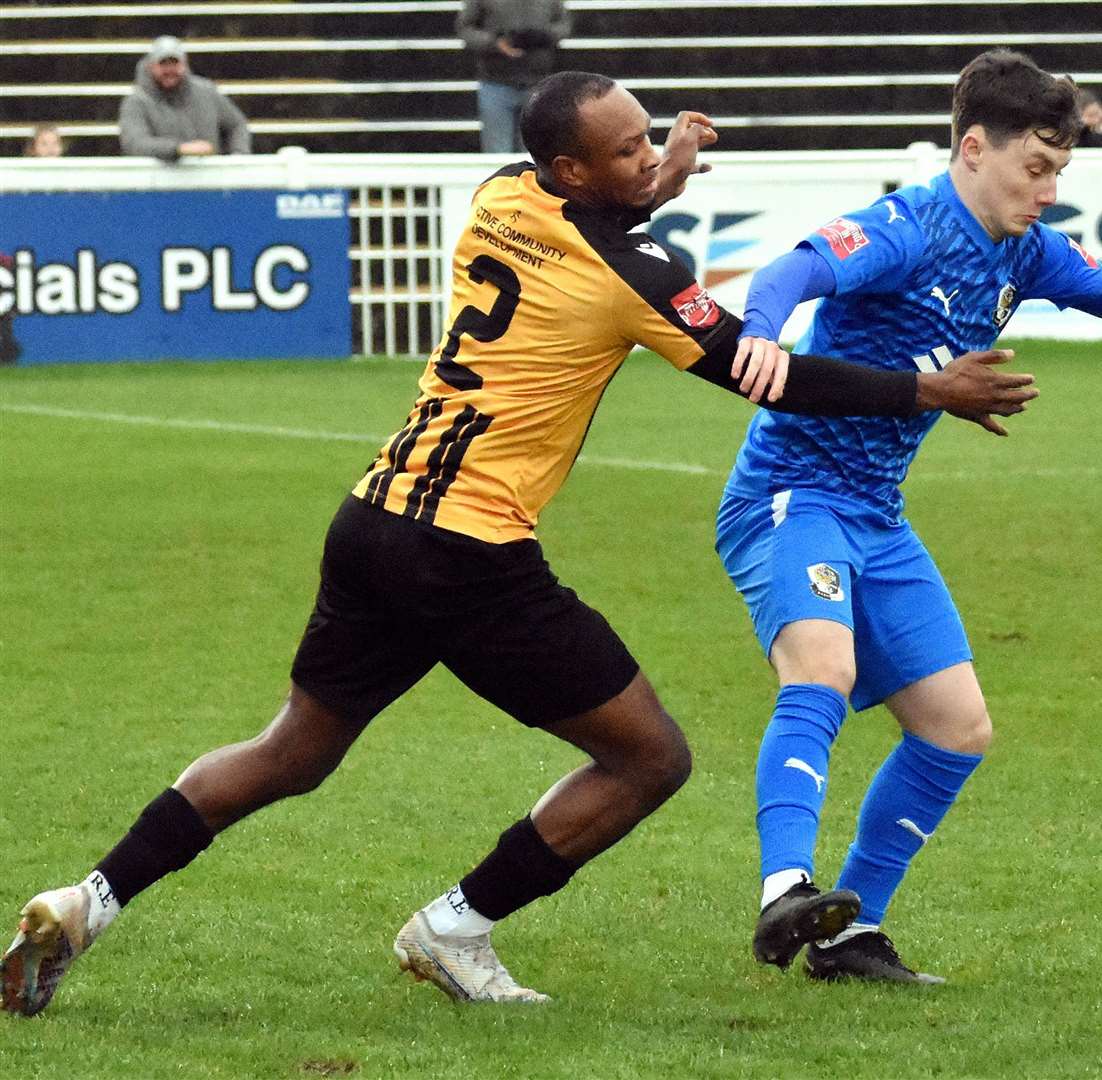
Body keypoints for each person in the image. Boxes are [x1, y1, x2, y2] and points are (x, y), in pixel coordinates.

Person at [2, 71, 1037, 1017]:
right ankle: (455, 926)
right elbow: (761, 371)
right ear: (568, 169)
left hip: (372, 521)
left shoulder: (501, 194)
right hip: (470, 554)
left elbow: (598, 214)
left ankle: (87, 899)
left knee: (292, 749)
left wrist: (650, 187)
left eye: (649, 136)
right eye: (628, 148)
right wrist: (923, 388)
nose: (649, 156)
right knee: (646, 758)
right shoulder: (634, 272)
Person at [718, 48, 1102, 984]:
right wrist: (763, 330)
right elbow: (794, 269)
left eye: (1061, 170)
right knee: (823, 667)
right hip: (790, 494)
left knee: (955, 727)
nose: (1050, 190)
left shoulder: (1023, 250)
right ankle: (784, 889)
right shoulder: (906, 227)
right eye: (1037, 167)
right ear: (973, 147)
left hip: (875, 515)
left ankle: (853, 935)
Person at [457, 0, 570, 154]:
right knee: (497, 156)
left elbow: (564, 24)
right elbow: (465, 28)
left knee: (534, 156)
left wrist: (544, 37)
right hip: (495, 82)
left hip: (538, 84)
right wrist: (495, 43)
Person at [118, 35, 251, 161]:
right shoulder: (136, 102)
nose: (169, 70)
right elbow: (135, 144)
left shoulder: (207, 92)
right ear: (150, 66)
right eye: (163, 63)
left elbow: (237, 124)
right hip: (157, 182)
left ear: (185, 64)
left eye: (175, 63)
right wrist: (179, 149)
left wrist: (238, 156)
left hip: (211, 180)